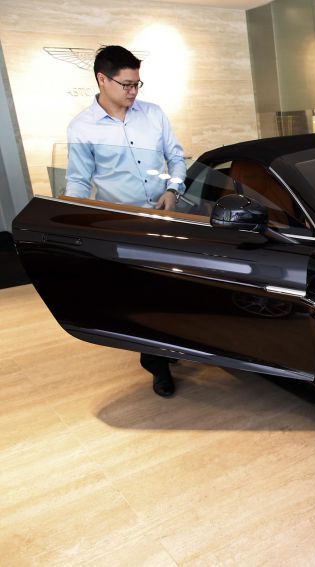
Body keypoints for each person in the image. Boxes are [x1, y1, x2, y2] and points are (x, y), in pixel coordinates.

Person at [66, 45, 186, 398]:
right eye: (126, 85)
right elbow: (78, 181)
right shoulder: (82, 127)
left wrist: (173, 189)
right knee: (142, 296)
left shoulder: (154, 114)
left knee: (173, 290)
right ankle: (157, 364)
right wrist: (73, 221)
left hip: (165, 218)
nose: (133, 92)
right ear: (102, 80)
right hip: (123, 226)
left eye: (137, 84)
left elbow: (176, 158)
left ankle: (174, 343)